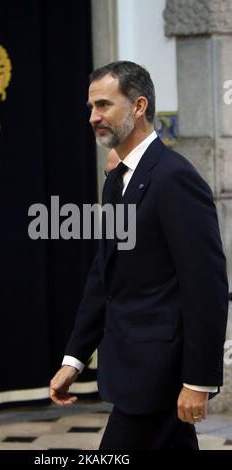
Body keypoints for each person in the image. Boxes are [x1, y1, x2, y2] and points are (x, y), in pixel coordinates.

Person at [50, 61, 229, 450]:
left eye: (103, 105)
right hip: (131, 366)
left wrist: (198, 380)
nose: (94, 117)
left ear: (138, 106)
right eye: (91, 107)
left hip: (160, 373)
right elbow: (104, 276)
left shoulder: (174, 178)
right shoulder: (116, 180)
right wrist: (74, 358)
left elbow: (206, 287)